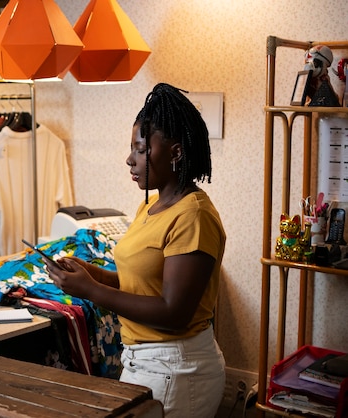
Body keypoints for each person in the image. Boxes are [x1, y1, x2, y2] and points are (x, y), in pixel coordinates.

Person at [48, 82, 226, 418]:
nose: (129, 159)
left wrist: (92, 290)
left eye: (141, 150)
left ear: (175, 153)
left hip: (177, 369)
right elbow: (141, 282)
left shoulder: (193, 216)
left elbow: (174, 313)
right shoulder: (153, 206)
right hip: (148, 363)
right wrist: (90, 274)